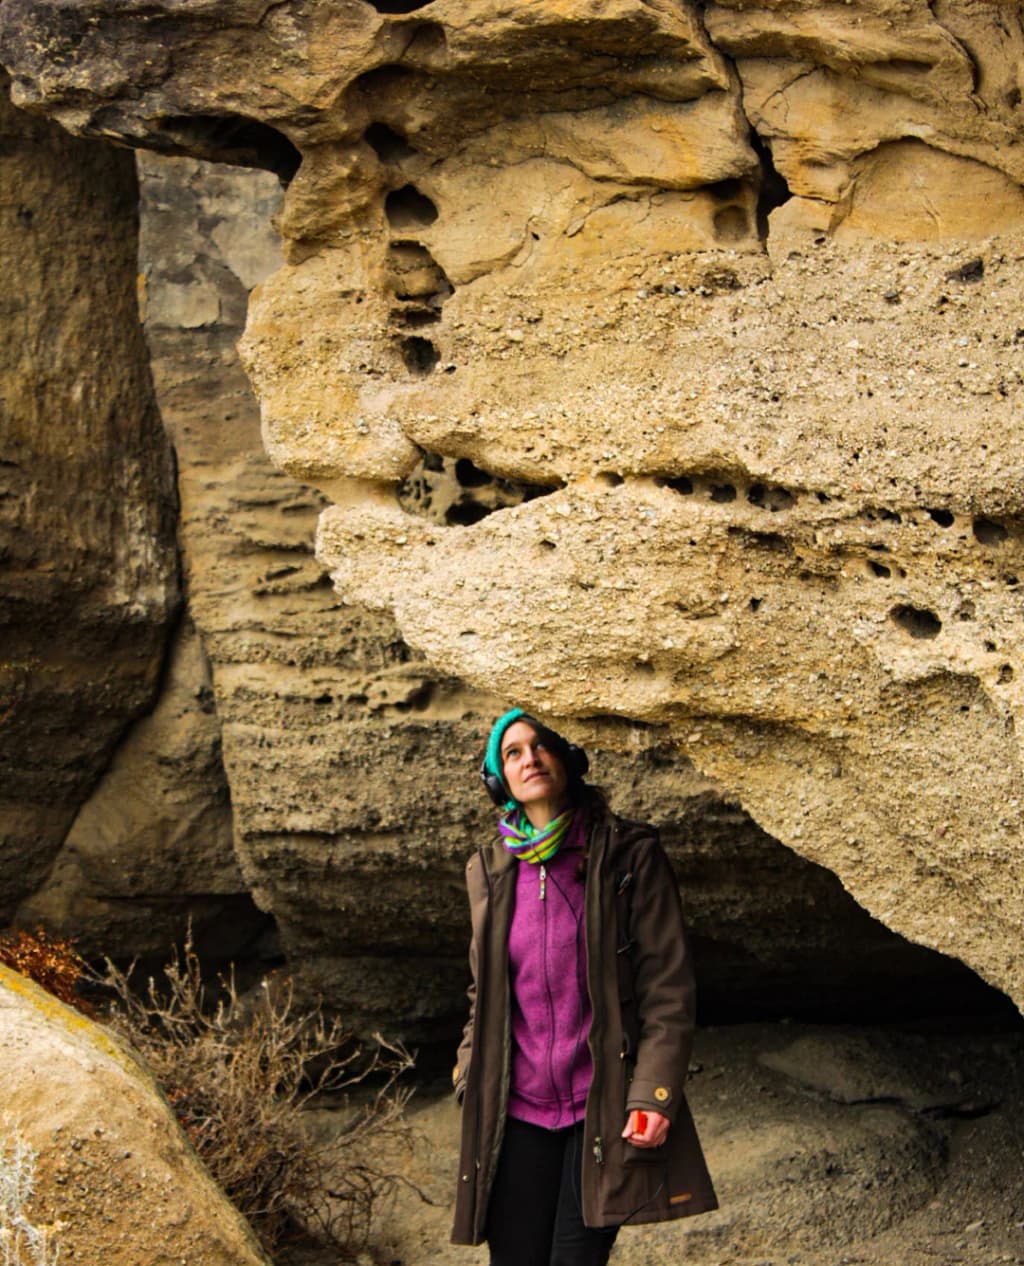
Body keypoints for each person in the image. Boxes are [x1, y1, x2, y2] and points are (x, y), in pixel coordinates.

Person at [451, 707, 717, 1265]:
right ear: (499, 778)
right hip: (517, 1113)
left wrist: (653, 1093)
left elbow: (668, 989)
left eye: (542, 744)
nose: (531, 759)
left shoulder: (628, 856)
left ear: (568, 757)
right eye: (513, 752)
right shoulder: (489, 871)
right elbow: (484, 994)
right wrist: (466, 1072)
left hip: (599, 1108)